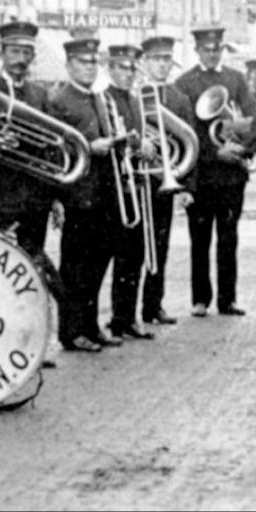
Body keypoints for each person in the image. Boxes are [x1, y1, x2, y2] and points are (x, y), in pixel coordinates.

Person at [46, 38, 130, 352]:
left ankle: (91, 326)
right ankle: (71, 331)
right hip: (77, 195)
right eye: (83, 62)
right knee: (75, 268)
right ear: (69, 65)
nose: (89, 68)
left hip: (103, 195)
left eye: (93, 62)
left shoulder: (99, 98)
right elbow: (55, 149)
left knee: (97, 266)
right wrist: (89, 148)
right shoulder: (60, 99)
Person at [174, 26, 255, 317]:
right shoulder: (184, 83)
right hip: (202, 176)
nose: (212, 53)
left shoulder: (236, 79)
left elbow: (253, 119)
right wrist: (214, 152)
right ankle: (200, 299)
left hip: (232, 175)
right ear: (197, 50)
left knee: (229, 238)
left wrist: (240, 143)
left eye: (216, 48)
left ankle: (227, 299)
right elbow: (185, 132)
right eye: (206, 49)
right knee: (200, 239)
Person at [0, 20, 57, 256]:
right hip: (0, 199)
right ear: (1, 53)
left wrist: (55, 198)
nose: (21, 59)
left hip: (36, 200)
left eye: (27, 53)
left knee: (34, 263)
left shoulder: (40, 95)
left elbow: (52, 151)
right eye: (14, 51)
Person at [101, 44, 158, 341]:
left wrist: (147, 145)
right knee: (116, 256)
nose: (128, 73)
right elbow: (114, 139)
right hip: (113, 188)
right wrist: (136, 145)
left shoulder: (135, 101)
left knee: (134, 256)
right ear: (110, 68)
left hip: (135, 183)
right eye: (122, 68)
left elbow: (138, 135)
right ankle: (115, 319)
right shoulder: (104, 99)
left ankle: (128, 317)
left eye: (132, 68)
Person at [137, 36, 195, 325]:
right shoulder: (132, 95)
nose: (161, 65)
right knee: (133, 248)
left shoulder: (179, 99)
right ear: (144, 62)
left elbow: (189, 144)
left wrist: (186, 187)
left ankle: (153, 306)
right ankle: (125, 314)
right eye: (156, 59)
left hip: (165, 181)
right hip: (137, 181)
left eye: (166, 60)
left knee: (160, 245)